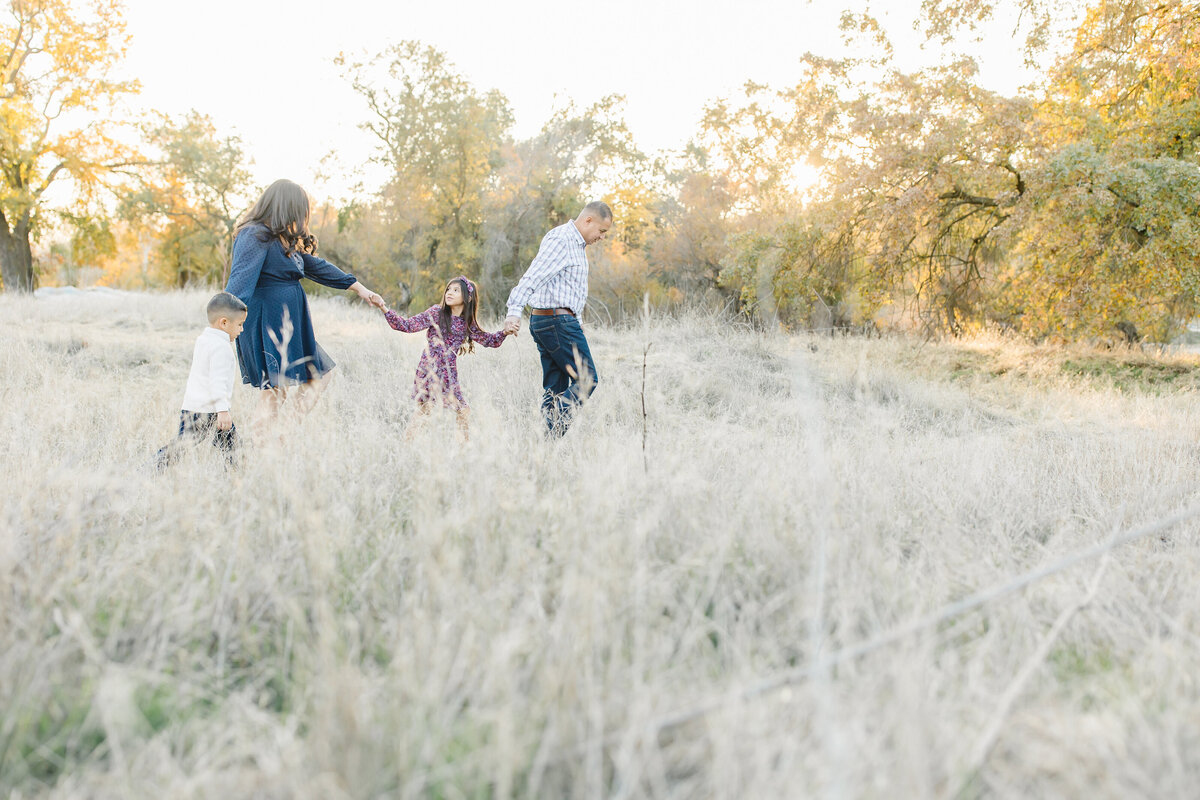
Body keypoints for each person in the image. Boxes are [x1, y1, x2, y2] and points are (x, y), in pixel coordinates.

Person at [224, 179, 385, 421]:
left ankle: (286, 433)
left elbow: (317, 267)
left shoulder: (282, 239)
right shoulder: (254, 235)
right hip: (267, 322)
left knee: (318, 374)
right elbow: (239, 284)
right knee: (274, 393)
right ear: (284, 206)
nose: (301, 217)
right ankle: (263, 451)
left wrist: (360, 289)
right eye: (299, 210)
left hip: (289, 323)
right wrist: (223, 327)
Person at [503, 201, 612, 436]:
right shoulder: (562, 239)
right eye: (602, 231)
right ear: (588, 220)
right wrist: (514, 309)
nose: (602, 237)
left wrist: (578, 322)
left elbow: (570, 289)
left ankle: (544, 447)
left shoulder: (576, 246)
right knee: (587, 378)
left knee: (556, 387)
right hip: (555, 322)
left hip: (555, 321)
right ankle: (552, 433)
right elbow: (534, 275)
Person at [381, 276, 511, 437]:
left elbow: (489, 340)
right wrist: (384, 308)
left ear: (468, 297)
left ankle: (463, 451)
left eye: (456, 290)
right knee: (427, 411)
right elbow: (407, 326)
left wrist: (505, 332)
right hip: (430, 369)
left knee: (461, 411)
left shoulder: (466, 322)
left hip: (449, 372)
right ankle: (408, 447)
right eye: (448, 289)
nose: (449, 293)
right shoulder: (437, 313)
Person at [154, 292, 247, 469]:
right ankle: (150, 470)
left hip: (194, 407)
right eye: (240, 324)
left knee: (232, 447)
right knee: (180, 448)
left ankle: (238, 474)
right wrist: (223, 410)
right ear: (224, 323)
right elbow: (217, 381)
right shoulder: (221, 348)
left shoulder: (204, 340)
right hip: (208, 411)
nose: (241, 329)